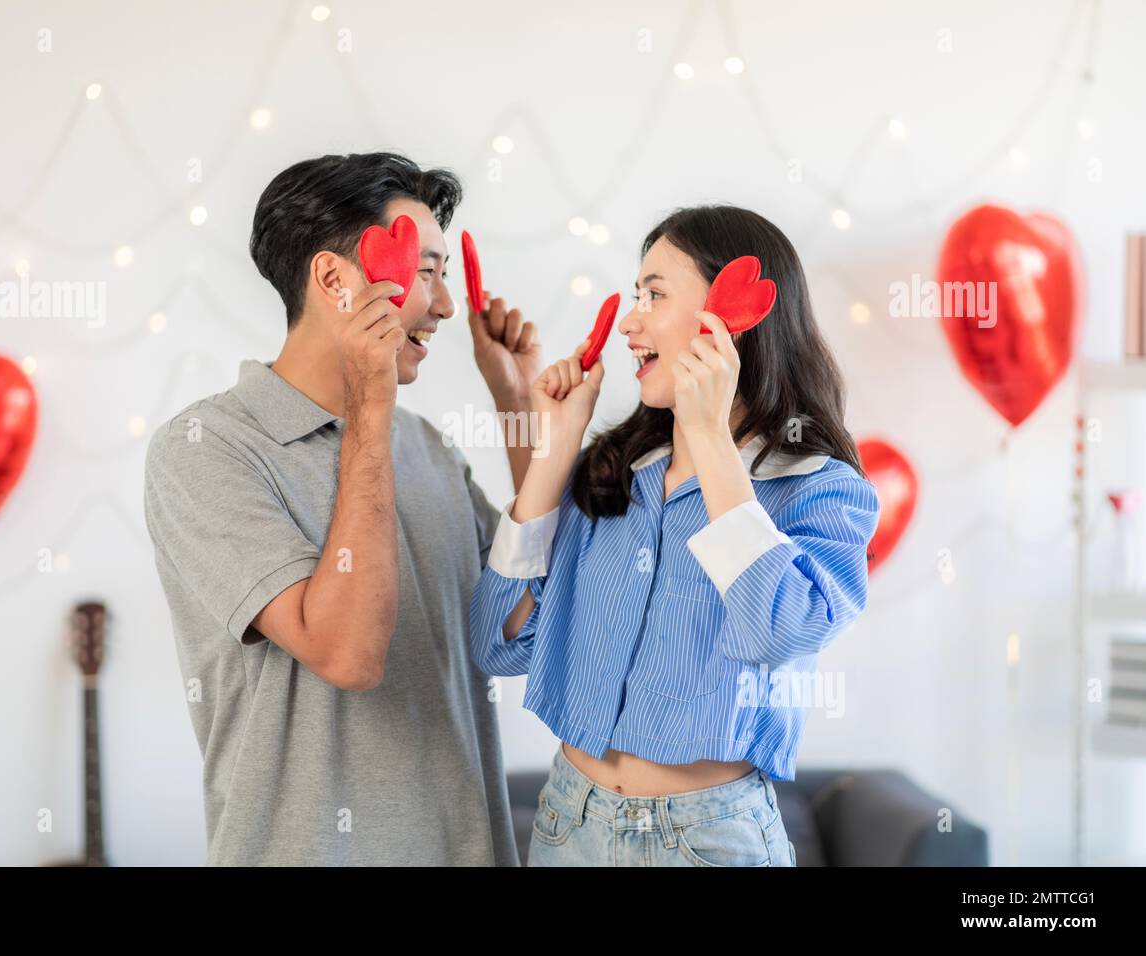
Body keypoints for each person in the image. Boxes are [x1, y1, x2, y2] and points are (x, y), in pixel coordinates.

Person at [144, 152, 541, 865]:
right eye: (424, 271)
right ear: (334, 279)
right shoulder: (204, 450)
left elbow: (527, 624)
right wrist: (371, 409)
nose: (447, 305)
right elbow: (350, 654)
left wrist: (517, 411)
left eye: (445, 272)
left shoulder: (426, 447)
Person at [469, 204, 880, 866]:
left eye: (653, 294)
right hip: (567, 822)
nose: (630, 322)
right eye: (635, 295)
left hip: (710, 839)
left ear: (733, 313)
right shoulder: (613, 473)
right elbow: (501, 641)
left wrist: (711, 435)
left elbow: (778, 632)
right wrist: (556, 449)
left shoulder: (819, 489)